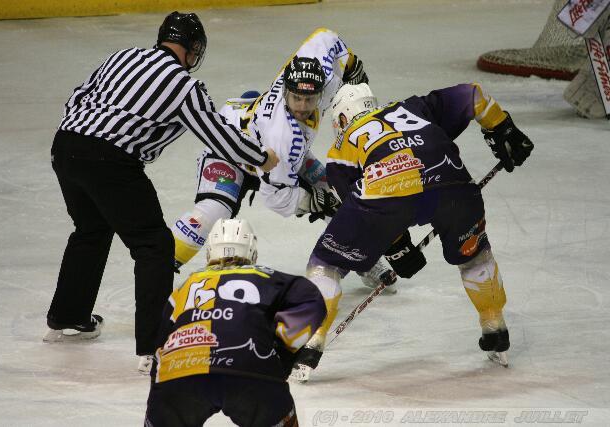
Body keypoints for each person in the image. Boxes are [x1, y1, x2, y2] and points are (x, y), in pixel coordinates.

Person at [42, 11, 279, 374]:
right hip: (111, 159)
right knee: (155, 245)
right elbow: (218, 136)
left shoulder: (121, 56)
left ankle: (68, 316)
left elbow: (77, 96)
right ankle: (155, 345)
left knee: (91, 229)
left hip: (66, 145)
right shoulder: (183, 85)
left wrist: (80, 139)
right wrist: (260, 158)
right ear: (193, 49)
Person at [291, 82, 534, 380]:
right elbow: (472, 95)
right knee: (475, 255)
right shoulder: (412, 109)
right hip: (454, 186)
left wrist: (396, 246)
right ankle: (494, 324)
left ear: (342, 118)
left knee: (326, 264)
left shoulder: (341, 148)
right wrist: (501, 127)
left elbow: (362, 210)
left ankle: (312, 340)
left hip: (387, 194)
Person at [170, 28, 397, 300]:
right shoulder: (283, 136)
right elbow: (276, 197)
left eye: (309, 99)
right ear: (286, 91)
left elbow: (325, 37)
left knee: (336, 191)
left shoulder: (319, 70)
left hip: (271, 147)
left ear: (322, 89)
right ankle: (160, 265)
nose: (302, 106)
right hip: (231, 150)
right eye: (296, 98)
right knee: (214, 209)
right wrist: (314, 201)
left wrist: (351, 64)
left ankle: (362, 257)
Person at [144, 218, 326, 427]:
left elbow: (159, 346)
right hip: (250, 370)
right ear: (252, 253)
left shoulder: (184, 288)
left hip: (179, 373)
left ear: (209, 252)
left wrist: (160, 398)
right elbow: (312, 300)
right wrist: (283, 351)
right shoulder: (264, 276)